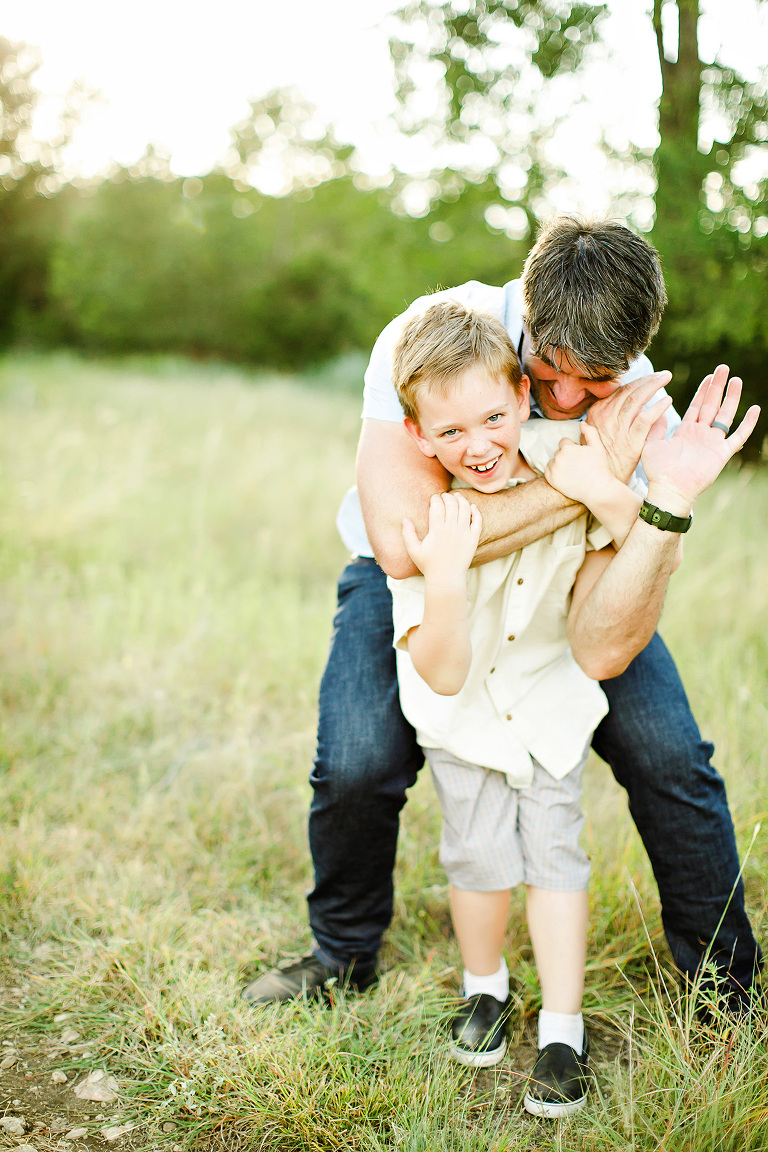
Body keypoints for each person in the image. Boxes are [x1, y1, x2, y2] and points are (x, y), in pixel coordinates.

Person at [242, 217, 763, 1016]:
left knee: (671, 755)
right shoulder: (427, 342)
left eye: (593, 382)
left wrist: (661, 502)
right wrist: (579, 484)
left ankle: (728, 986)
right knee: (355, 761)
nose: (564, 397)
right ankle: (342, 955)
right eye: (547, 371)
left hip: (558, 586)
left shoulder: (638, 404)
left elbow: (605, 643)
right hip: (416, 586)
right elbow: (405, 542)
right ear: (525, 310)